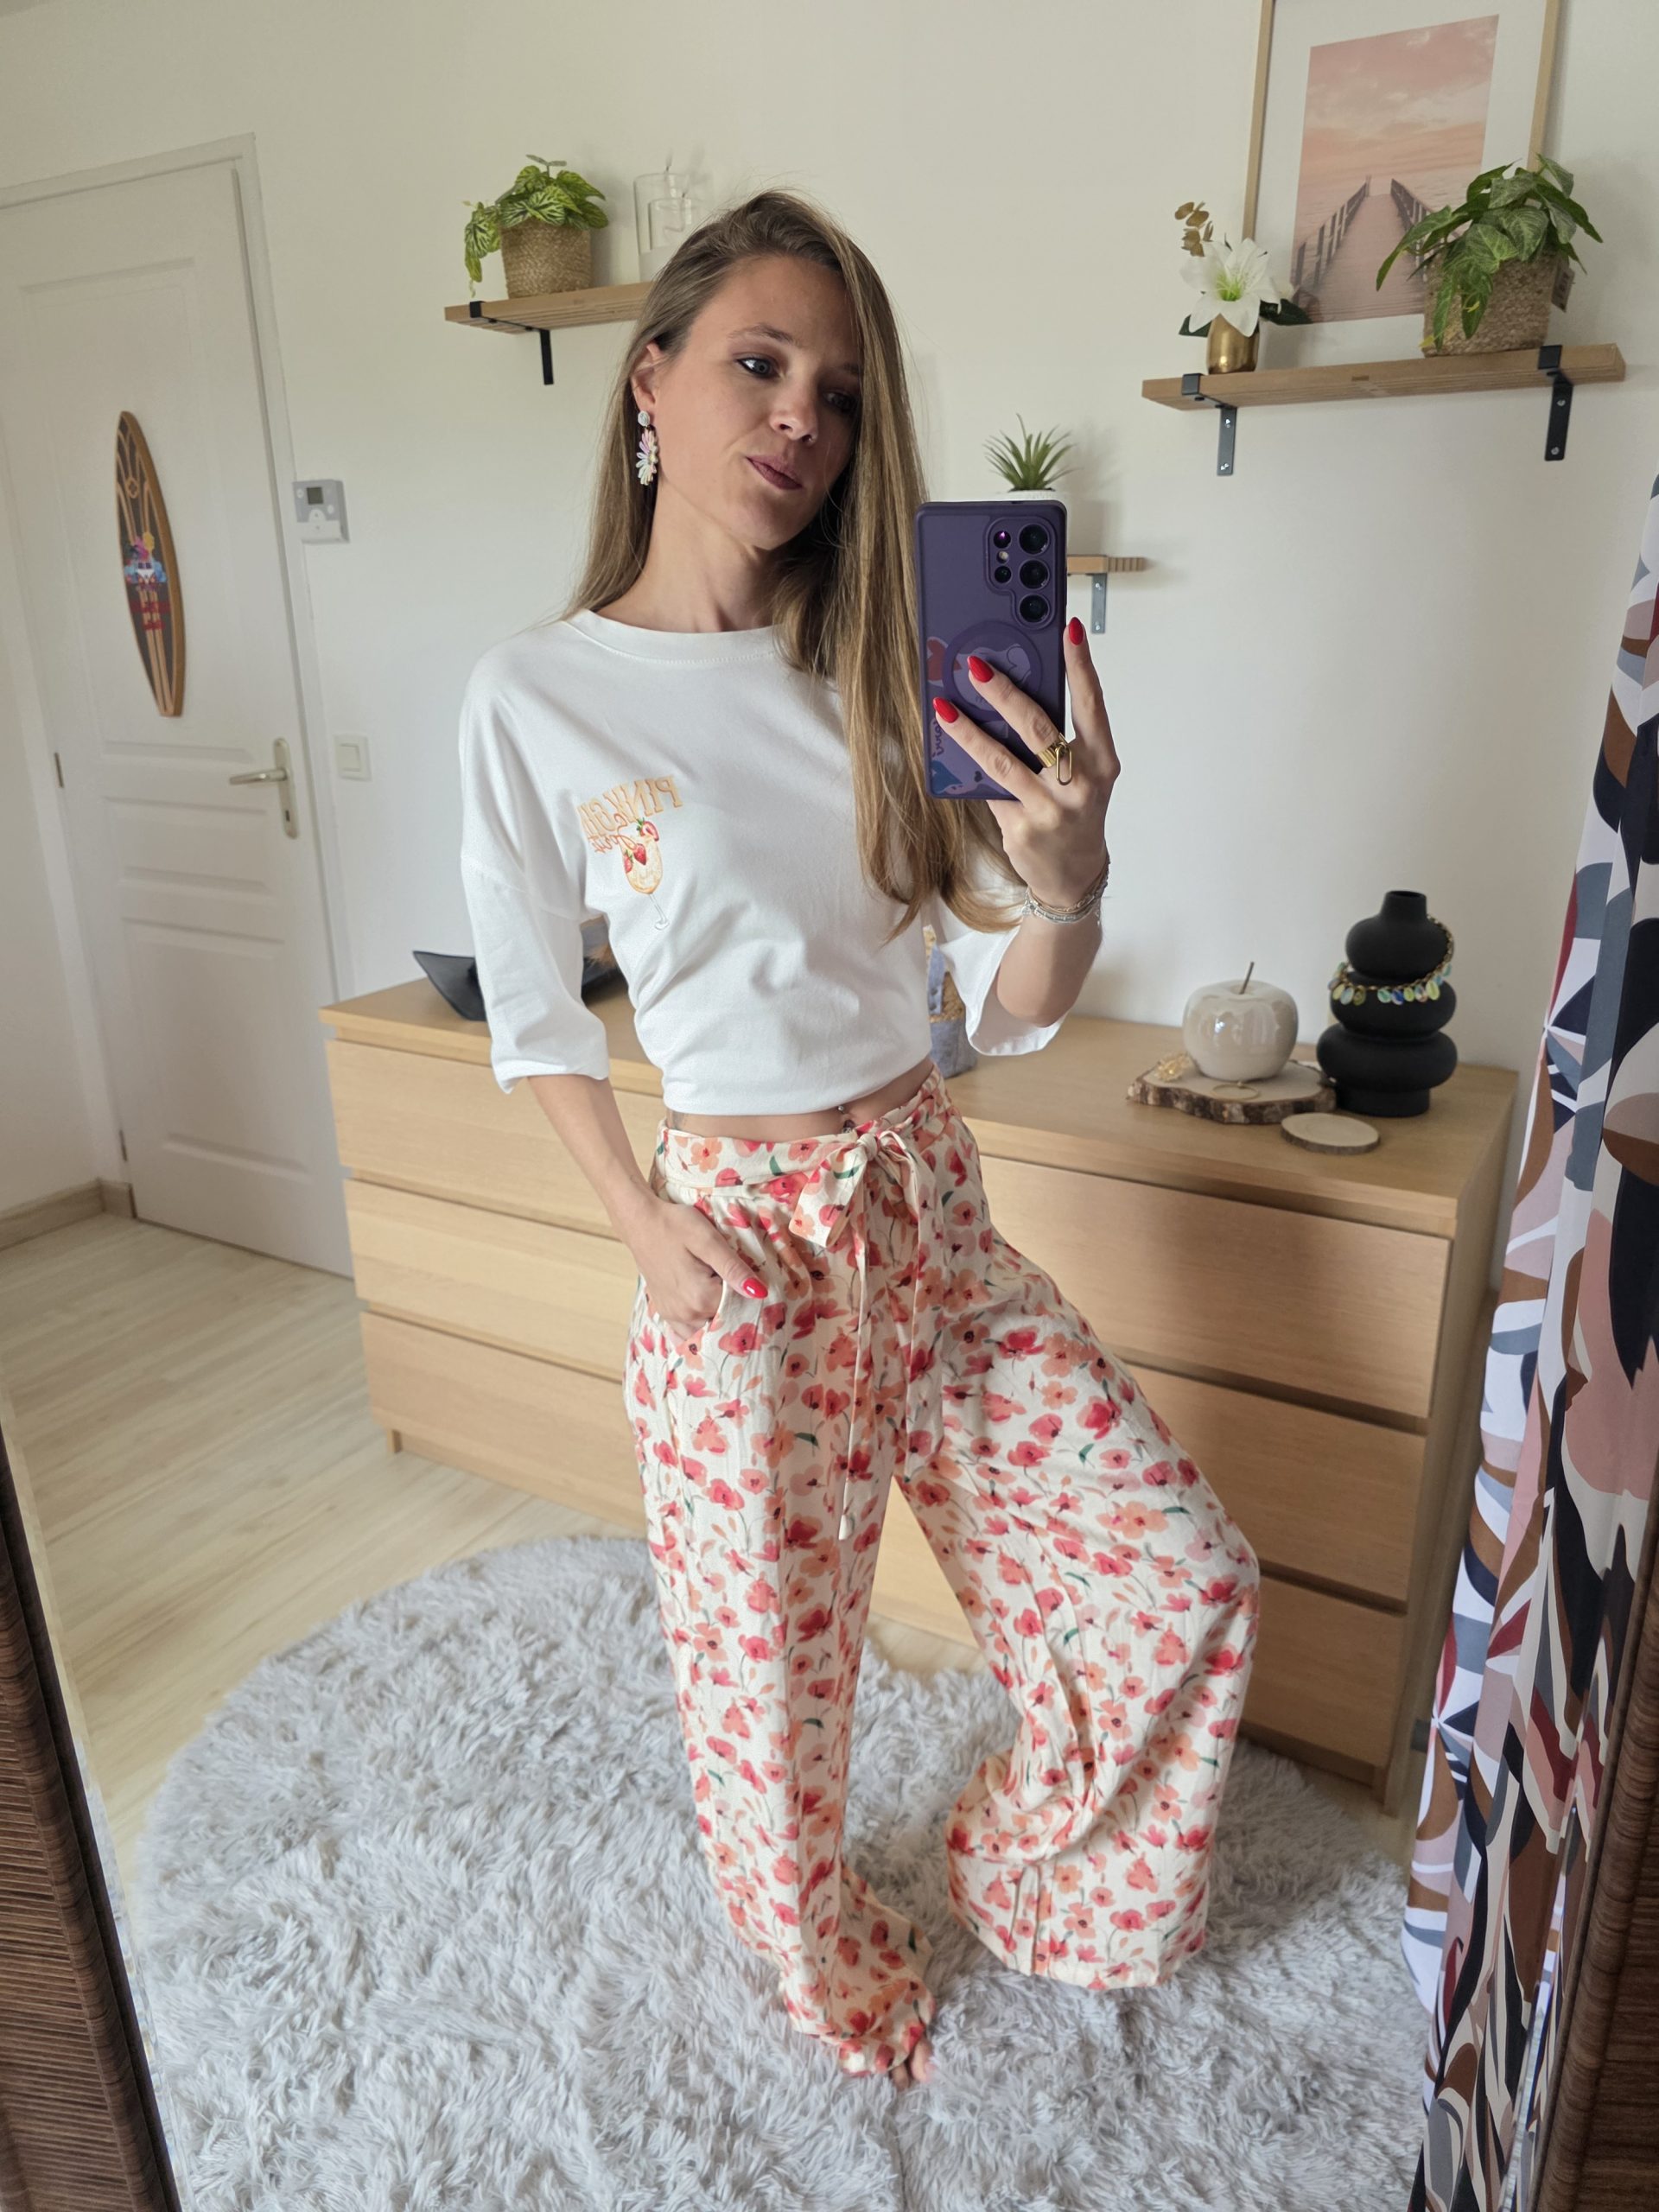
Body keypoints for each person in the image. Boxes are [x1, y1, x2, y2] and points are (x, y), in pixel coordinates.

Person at [457, 188, 1261, 2091]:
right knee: (773, 1685)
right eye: (758, 364)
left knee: (1179, 1574)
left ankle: (1025, 1869)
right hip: (740, 1241)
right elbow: (532, 1013)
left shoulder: (880, 668)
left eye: (835, 390)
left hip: (929, 1208)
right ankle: (817, 1958)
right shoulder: (539, 695)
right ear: (650, 378)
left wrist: (1075, 872)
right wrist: (641, 1226)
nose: (798, 419)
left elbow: (1001, 1005)